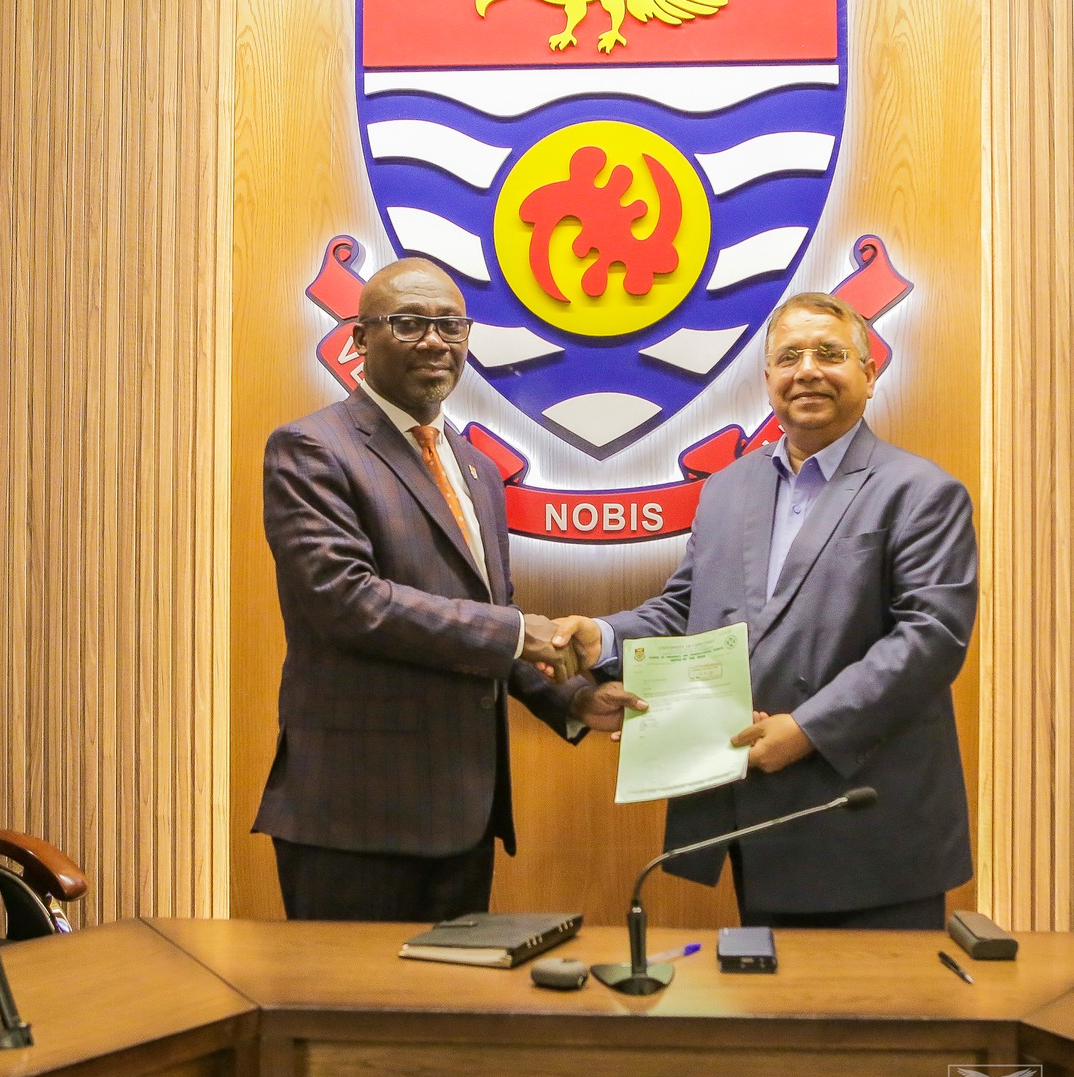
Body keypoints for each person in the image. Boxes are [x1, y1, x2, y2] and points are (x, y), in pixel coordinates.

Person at [566, 292, 979, 929]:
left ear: (870, 375)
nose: (807, 370)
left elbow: (930, 639)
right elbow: (687, 608)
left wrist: (809, 728)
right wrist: (600, 638)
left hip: (869, 821)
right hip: (756, 816)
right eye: (789, 357)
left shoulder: (923, 493)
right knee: (777, 1018)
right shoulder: (729, 489)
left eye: (830, 354)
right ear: (768, 382)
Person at [254, 257, 616, 921]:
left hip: (462, 816)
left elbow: (487, 618)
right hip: (355, 819)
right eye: (409, 322)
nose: (434, 341)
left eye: (451, 326)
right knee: (355, 1022)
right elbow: (348, 603)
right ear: (359, 340)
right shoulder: (312, 448)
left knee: (445, 1017)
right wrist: (514, 632)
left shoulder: (475, 467)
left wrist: (575, 698)